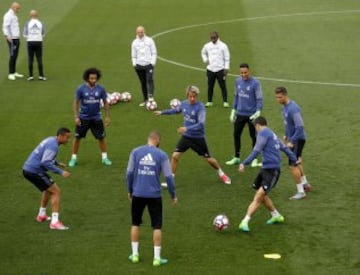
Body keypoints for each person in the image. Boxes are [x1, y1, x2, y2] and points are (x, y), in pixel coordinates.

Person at [154, 85, 231, 185]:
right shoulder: (184, 104)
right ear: (187, 95)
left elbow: (201, 124)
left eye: (194, 96)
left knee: (209, 159)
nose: (192, 99)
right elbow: (175, 110)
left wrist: (186, 128)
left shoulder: (200, 107)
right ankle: (170, 180)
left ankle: (222, 174)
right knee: (175, 156)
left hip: (198, 138)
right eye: (190, 96)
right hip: (186, 137)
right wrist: (162, 112)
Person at [238, 117, 298, 232]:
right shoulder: (273, 134)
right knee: (262, 195)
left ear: (258, 126)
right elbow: (285, 148)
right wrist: (294, 159)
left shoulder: (263, 133)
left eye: (255, 128)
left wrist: (244, 163)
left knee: (259, 196)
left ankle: (245, 221)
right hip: (265, 169)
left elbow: (256, 150)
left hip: (272, 171)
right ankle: (276, 215)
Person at [126, 131, 177, 266]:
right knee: (157, 226)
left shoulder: (135, 152)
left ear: (148, 139)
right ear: (158, 141)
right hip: (154, 195)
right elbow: (169, 177)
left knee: (135, 223)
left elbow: (129, 173)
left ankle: (135, 255)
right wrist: (173, 195)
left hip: (138, 193)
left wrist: (130, 190)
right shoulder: (162, 155)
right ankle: (156, 258)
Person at [22, 127, 71, 230]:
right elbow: (45, 162)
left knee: (48, 189)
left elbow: (46, 155)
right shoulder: (54, 145)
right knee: (56, 191)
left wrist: (57, 163)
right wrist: (61, 172)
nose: (68, 140)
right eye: (67, 137)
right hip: (34, 171)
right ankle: (54, 222)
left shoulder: (51, 139)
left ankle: (41, 215)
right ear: (60, 136)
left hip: (29, 169)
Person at [68, 68, 112, 167]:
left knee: (101, 138)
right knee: (77, 138)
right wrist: (76, 117)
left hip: (97, 118)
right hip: (83, 118)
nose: (93, 80)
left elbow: (105, 102)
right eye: (91, 78)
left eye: (95, 78)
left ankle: (104, 158)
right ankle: (73, 158)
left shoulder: (101, 89)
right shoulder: (81, 89)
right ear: (87, 78)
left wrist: (107, 116)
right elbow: (76, 102)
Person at [275, 86, 312, 200]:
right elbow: (288, 124)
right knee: (297, 161)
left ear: (285, 95)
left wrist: (292, 141)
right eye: (276, 97)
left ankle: (301, 192)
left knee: (292, 166)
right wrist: (286, 135)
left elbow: (300, 127)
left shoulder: (293, 109)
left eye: (280, 97)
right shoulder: (284, 107)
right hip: (293, 139)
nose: (278, 100)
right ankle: (305, 184)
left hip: (298, 140)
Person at [226, 63, 263, 167]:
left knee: (254, 136)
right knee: (236, 134)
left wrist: (258, 111)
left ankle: (254, 159)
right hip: (240, 113)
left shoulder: (255, 83)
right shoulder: (237, 81)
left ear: (249, 71)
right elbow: (236, 96)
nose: (243, 74)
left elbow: (259, 98)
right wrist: (233, 110)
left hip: (252, 115)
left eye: (245, 72)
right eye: (241, 73)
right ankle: (237, 157)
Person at [201, 31, 230, 108]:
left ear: (217, 37)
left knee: (223, 86)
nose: (213, 39)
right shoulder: (207, 46)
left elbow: (227, 58)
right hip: (210, 69)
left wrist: (226, 68)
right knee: (210, 86)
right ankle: (209, 101)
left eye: (214, 38)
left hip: (220, 69)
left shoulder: (223, 46)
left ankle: (225, 101)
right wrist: (205, 60)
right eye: (211, 38)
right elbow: (203, 52)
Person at [131, 25, 157, 106]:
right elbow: (133, 55)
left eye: (141, 32)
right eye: (139, 32)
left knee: (150, 80)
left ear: (144, 31)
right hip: (139, 65)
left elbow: (154, 52)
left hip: (148, 65)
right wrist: (134, 64)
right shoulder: (134, 42)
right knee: (143, 82)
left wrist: (152, 63)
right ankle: (145, 100)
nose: (140, 33)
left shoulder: (150, 40)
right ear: (136, 32)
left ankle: (151, 98)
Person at [2, 2, 24, 80]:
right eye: (18, 8)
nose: (19, 10)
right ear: (14, 7)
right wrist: (7, 36)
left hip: (16, 38)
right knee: (12, 55)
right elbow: (5, 26)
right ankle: (10, 73)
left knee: (15, 55)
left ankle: (14, 72)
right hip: (12, 39)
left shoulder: (14, 15)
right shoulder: (8, 15)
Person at [23, 9, 46, 81]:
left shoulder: (27, 23)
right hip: (38, 42)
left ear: (30, 15)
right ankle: (41, 76)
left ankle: (30, 76)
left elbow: (24, 34)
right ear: (37, 15)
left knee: (30, 58)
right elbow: (43, 33)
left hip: (30, 42)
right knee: (39, 58)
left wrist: (30, 37)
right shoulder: (41, 23)